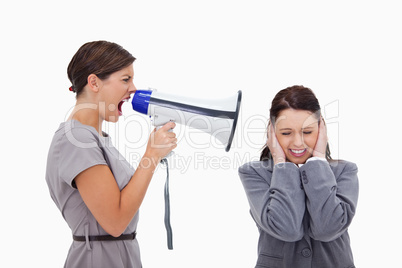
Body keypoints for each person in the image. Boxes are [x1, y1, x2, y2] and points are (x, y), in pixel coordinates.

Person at [45, 40, 177, 268]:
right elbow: (115, 222)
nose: (134, 88)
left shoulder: (96, 139)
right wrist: (151, 156)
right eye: (125, 79)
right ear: (94, 82)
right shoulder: (76, 139)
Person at [238, 85, 358, 268]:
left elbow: (328, 229)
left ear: (321, 129)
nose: (297, 142)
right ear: (272, 132)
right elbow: (287, 229)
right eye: (286, 133)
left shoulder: (345, 171)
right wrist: (280, 162)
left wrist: (318, 160)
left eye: (307, 132)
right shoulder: (255, 173)